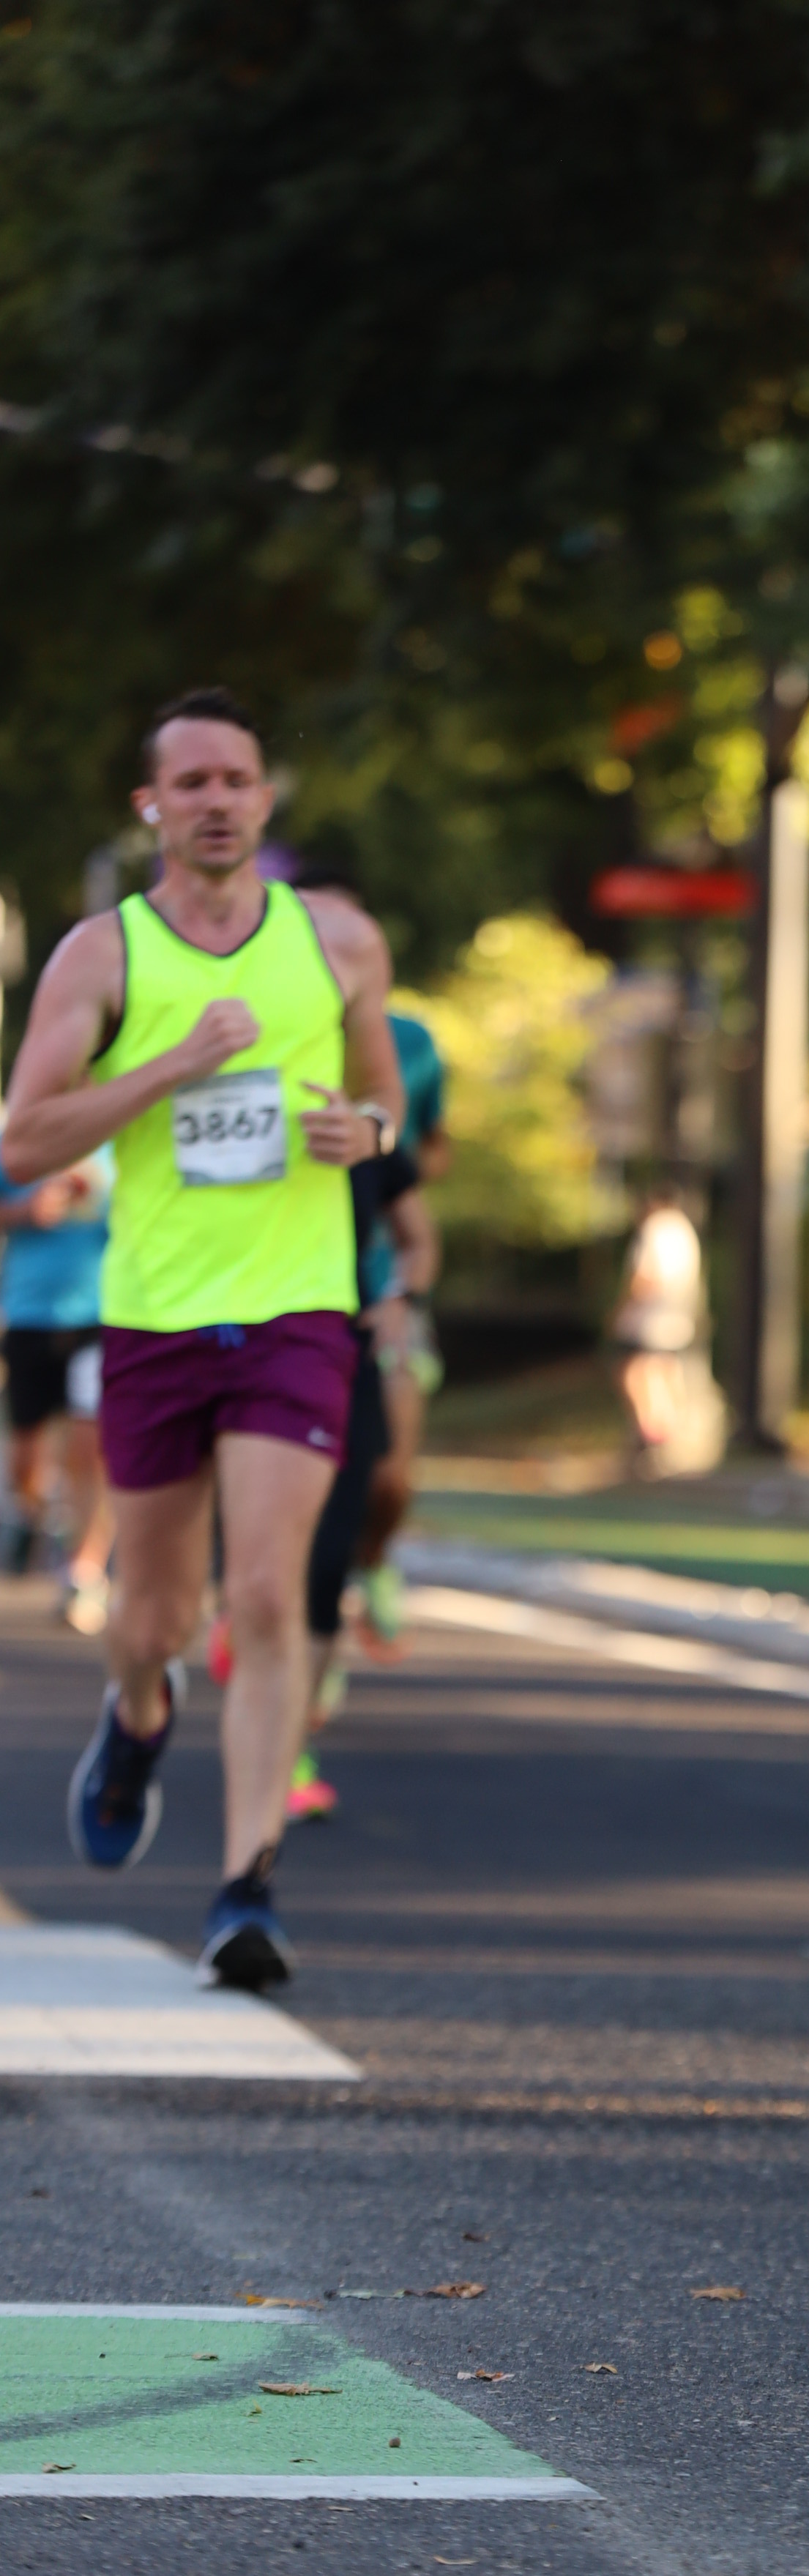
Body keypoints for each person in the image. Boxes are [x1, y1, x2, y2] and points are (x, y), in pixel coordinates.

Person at [0, 685, 403, 1988]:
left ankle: (246, 1890)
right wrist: (168, 1066)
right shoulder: (101, 957)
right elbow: (24, 1140)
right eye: (191, 783)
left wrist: (367, 1132)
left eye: (236, 779)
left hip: (296, 1309)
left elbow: (383, 1096)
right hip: (155, 1315)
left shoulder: (338, 941)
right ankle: (136, 1716)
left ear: (265, 799)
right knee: (150, 1617)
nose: (216, 801)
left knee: (269, 1594)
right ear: (153, 808)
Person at [288, 1114, 439, 1820]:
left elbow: (419, 1238)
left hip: (342, 1356)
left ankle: (290, 1746)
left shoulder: (366, 1135)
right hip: (229, 1358)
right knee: (264, 1578)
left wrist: (400, 1298)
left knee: (327, 1563)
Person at [0, 1140, 116, 1627]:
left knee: (92, 1450)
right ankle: (38, 1514)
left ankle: (84, 1574)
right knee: (26, 1464)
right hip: (29, 1315)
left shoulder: (122, 1146)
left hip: (100, 1316)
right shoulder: (22, 1141)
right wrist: (25, 1211)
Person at [611, 1189, 708, 1467]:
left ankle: (651, 1436)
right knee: (665, 1371)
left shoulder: (655, 1229)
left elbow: (646, 1276)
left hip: (650, 1318)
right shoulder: (684, 1229)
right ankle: (670, 1434)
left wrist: (622, 1308)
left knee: (637, 1373)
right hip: (677, 1316)